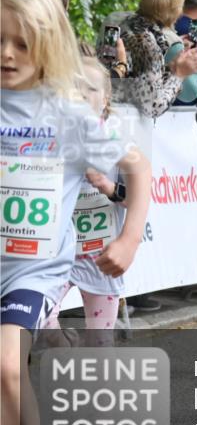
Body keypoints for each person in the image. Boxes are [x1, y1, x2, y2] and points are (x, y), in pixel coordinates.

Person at [1, 0, 152, 425]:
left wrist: (129, 239)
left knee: (7, 366)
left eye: (22, 43)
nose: (7, 53)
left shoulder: (66, 114)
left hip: (32, 268)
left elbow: (138, 167)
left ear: (48, 45)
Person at [43, 57, 128, 348]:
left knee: (100, 343)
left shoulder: (118, 141)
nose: (81, 95)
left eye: (90, 89)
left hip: (100, 257)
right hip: (58, 254)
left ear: (105, 98)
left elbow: (135, 198)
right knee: (40, 320)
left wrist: (107, 186)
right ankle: (63, 344)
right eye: (75, 88)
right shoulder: (51, 137)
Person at [114, 0, 197, 119]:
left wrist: (172, 66)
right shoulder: (148, 45)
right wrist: (179, 75)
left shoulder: (126, 25)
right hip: (127, 122)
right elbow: (152, 106)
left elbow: (141, 81)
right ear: (173, 12)